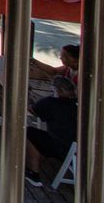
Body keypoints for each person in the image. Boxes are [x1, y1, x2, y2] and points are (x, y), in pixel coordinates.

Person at [25, 42, 81, 182]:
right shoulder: (69, 70)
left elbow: (32, 111)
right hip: (73, 139)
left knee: (29, 132)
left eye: (64, 57)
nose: (61, 58)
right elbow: (54, 71)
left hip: (65, 145)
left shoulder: (55, 103)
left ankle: (34, 173)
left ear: (75, 60)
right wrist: (34, 61)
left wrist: (32, 103)